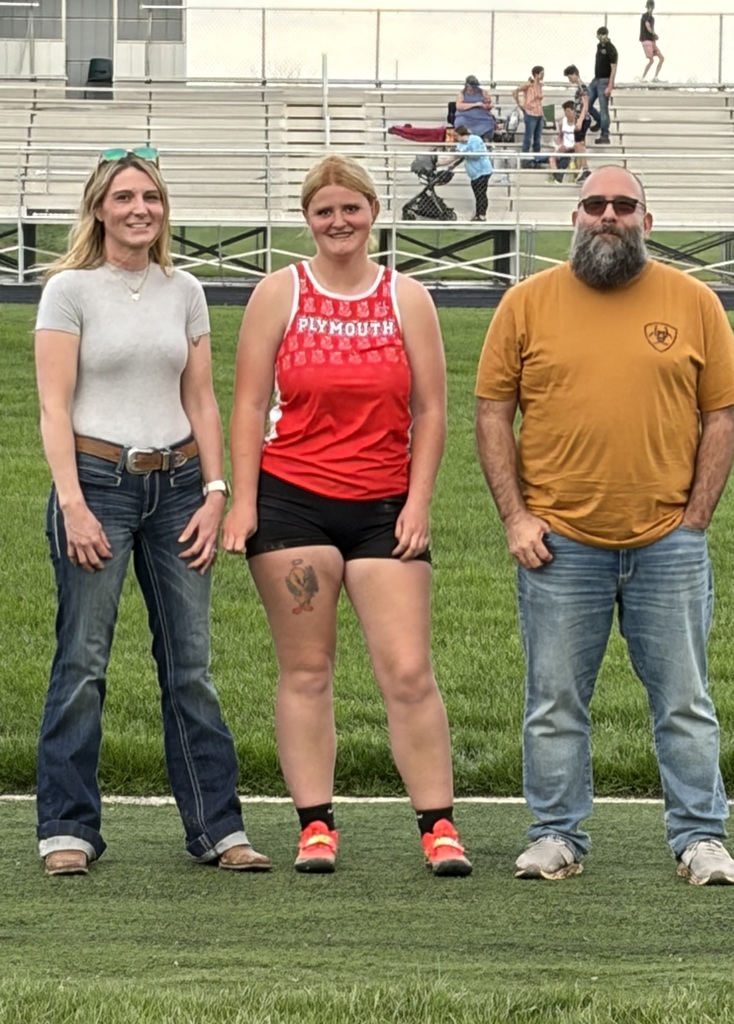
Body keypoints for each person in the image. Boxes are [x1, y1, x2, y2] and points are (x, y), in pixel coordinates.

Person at [475, 164, 734, 887]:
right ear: (576, 216)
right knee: (555, 700)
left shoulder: (693, 303)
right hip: (559, 544)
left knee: (685, 701)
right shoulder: (526, 303)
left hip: (668, 544)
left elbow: (721, 415)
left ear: (646, 222)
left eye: (623, 205)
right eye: (594, 204)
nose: (607, 216)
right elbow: (491, 413)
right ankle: (555, 833)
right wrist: (516, 517)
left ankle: (700, 838)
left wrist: (695, 519)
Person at [221, 155, 472, 878]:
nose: (339, 222)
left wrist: (418, 504)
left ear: (372, 213)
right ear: (308, 219)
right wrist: (244, 502)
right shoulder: (279, 293)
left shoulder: (407, 297)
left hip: (382, 508)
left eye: (351, 209)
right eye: (325, 211)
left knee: (408, 670)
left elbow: (430, 410)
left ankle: (438, 826)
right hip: (293, 501)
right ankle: (316, 826)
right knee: (307, 671)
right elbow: (245, 405)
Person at [34, 147, 271, 876]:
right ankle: (67, 829)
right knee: (83, 662)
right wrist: (73, 505)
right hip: (98, 485)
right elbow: (52, 406)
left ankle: (217, 828)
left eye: (153, 198)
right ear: (100, 207)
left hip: (178, 489)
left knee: (190, 667)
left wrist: (216, 492)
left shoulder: (185, 290)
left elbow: (201, 397)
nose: (141, 209)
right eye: (126, 197)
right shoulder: (69, 290)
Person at [453, 124, 493, 220]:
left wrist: (464, 153)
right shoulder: (460, 145)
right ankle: (478, 214)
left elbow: (477, 155)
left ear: (461, 134)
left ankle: (482, 215)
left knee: (481, 193)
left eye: (457, 136)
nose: (456, 138)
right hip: (474, 174)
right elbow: (455, 156)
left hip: (483, 171)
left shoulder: (475, 140)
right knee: (477, 194)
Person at [588, 27, 618, 145]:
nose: (601, 37)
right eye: (599, 35)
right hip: (596, 79)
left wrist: (610, 85)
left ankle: (605, 134)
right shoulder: (599, 46)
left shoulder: (611, 49)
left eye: (603, 35)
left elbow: (613, 68)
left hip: (605, 80)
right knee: (587, 102)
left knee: (603, 109)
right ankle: (600, 121)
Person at [547, 101, 588, 183]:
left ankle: (580, 174)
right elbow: (560, 136)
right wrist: (559, 145)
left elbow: (582, 141)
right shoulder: (562, 122)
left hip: (574, 147)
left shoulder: (578, 123)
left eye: (568, 111)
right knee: (552, 158)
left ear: (573, 111)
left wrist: (571, 147)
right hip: (564, 147)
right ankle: (557, 175)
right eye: (565, 112)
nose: (567, 114)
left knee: (578, 151)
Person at [563, 64, 592, 181]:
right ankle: (582, 167)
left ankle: (585, 168)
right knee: (579, 143)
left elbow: (585, 104)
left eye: (570, 77)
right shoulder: (580, 87)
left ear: (574, 74)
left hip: (583, 118)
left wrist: (580, 120)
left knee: (579, 144)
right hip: (580, 118)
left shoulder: (582, 87)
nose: (569, 80)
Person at [514, 66, 545, 168]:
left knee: (537, 139)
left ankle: (536, 160)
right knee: (528, 138)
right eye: (541, 73)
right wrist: (521, 105)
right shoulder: (528, 85)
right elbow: (515, 92)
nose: (543, 75)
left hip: (539, 113)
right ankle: (525, 161)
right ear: (536, 74)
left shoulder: (540, 85)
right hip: (531, 114)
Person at [453, 74, 496, 143]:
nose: (472, 88)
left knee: (489, 121)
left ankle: (485, 140)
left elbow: (490, 102)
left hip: (481, 117)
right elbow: (459, 106)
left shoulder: (483, 92)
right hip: (466, 117)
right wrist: (476, 104)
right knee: (461, 122)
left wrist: (488, 105)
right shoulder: (461, 94)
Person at [641, 1, 665, 81]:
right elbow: (648, 26)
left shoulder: (651, 18)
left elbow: (649, 27)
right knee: (651, 60)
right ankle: (643, 77)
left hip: (652, 41)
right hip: (647, 40)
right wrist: (654, 34)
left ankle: (655, 77)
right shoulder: (646, 16)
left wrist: (654, 37)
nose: (651, 8)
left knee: (661, 58)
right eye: (650, 6)